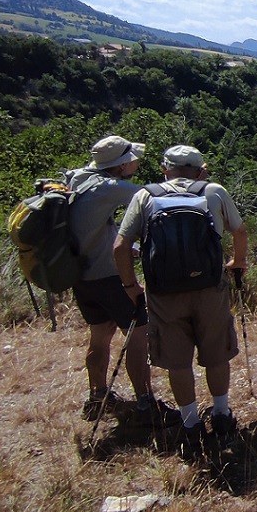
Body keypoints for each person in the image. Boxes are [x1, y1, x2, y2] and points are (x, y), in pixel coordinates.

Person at [113, 145, 248, 457]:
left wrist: (130, 286)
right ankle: (222, 415)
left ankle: (190, 424)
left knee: (178, 360)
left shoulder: (145, 196)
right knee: (216, 353)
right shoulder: (213, 191)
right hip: (209, 289)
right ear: (200, 170)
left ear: (165, 169)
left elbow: (121, 247)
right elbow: (239, 232)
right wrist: (236, 262)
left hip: (163, 293)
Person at [67, 135, 175, 426]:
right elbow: (149, 198)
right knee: (138, 336)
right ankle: (145, 401)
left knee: (99, 335)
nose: (136, 162)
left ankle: (98, 394)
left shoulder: (78, 179)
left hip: (82, 277)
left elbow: (96, 227)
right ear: (122, 164)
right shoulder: (110, 187)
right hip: (110, 277)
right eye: (133, 159)